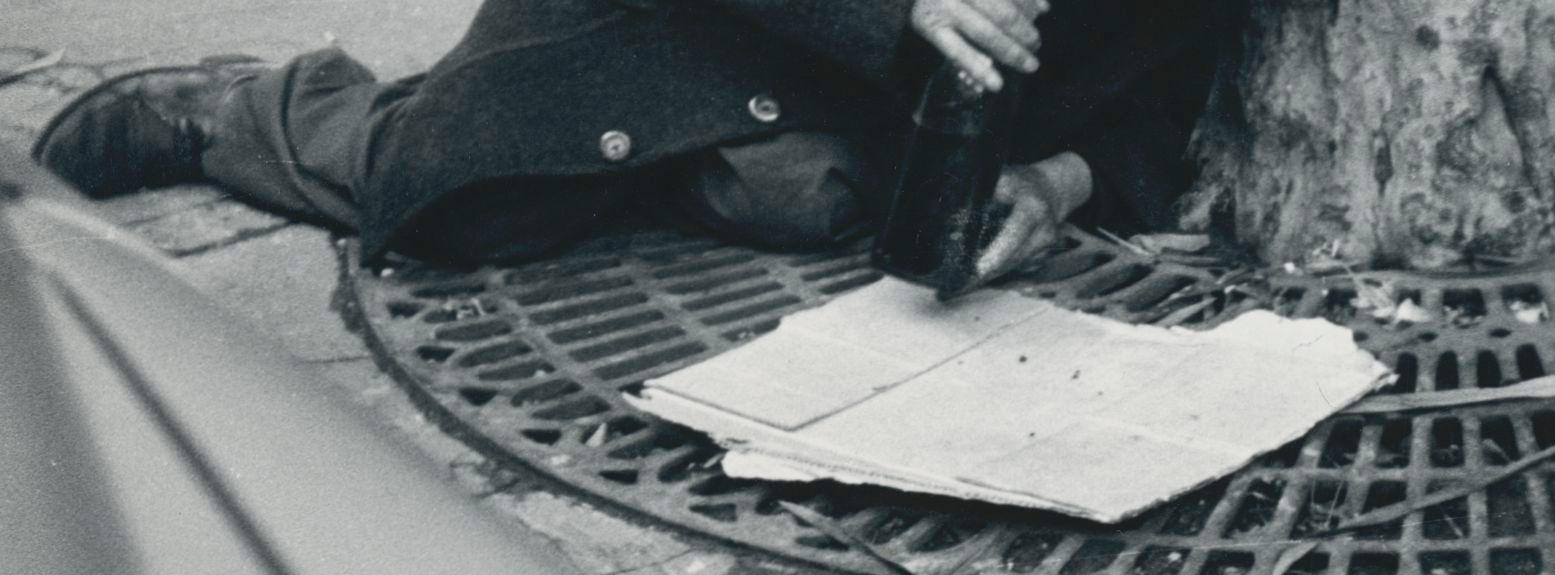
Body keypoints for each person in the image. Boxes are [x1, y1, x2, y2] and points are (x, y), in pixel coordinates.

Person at [34, 0, 1208, 279]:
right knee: (466, 198)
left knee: (810, 200)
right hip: (695, 20)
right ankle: (243, 108)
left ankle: (723, 157)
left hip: (872, 103)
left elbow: (1188, 69)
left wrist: (1063, 179)